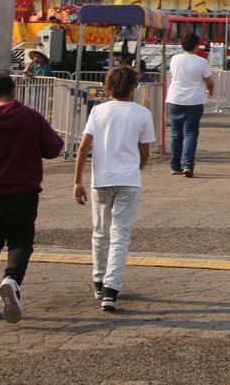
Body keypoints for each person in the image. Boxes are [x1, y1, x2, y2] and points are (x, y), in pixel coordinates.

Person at [0, 73, 64, 322]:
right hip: (24, 192)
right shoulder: (31, 117)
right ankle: (12, 280)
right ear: (14, 92)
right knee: (20, 243)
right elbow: (53, 148)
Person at [72, 66, 155, 312]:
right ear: (133, 87)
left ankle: (98, 281)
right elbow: (145, 150)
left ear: (108, 87)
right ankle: (111, 288)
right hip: (128, 179)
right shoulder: (142, 113)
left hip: (101, 179)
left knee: (100, 232)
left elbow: (84, 147)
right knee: (121, 236)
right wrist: (136, 167)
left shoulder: (98, 111)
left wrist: (77, 181)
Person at [165, 33, 214, 178]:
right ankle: (187, 164)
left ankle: (175, 165)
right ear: (196, 46)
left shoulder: (175, 59)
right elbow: (209, 82)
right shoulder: (201, 62)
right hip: (194, 101)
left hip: (174, 99)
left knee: (176, 135)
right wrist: (210, 91)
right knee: (190, 134)